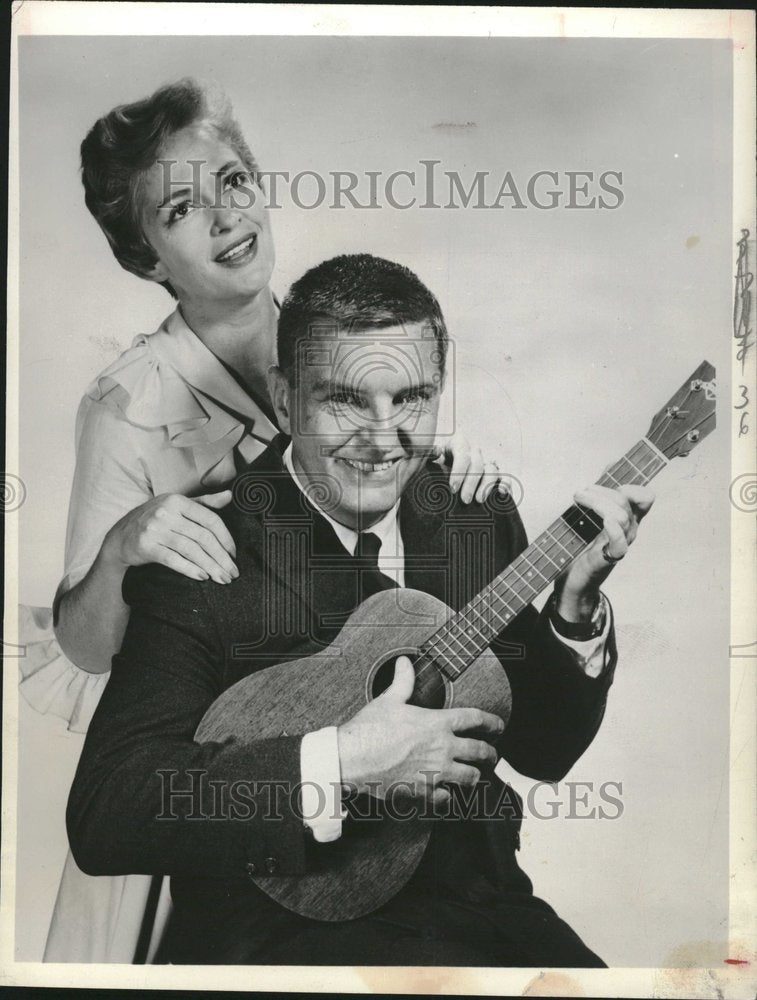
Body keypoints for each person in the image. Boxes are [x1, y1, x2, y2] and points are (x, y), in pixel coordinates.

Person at [19, 81, 508, 963]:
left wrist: (446, 462)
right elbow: (86, 650)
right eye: (179, 208)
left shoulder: (348, 326)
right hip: (223, 755)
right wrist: (128, 543)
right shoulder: (125, 405)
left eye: (234, 181)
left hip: (364, 728)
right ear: (146, 257)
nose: (225, 218)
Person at [67, 253, 654, 966]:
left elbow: (544, 749)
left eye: (410, 398)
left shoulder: (471, 515)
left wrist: (575, 606)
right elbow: (107, 810)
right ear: (284, 401)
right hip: (285, 936)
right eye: (344, 399)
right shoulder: (204, 545)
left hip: (481, 910)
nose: (382, 439)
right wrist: (341, 764)